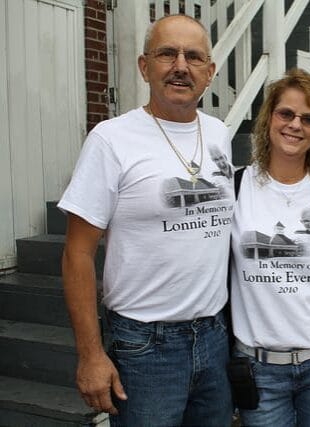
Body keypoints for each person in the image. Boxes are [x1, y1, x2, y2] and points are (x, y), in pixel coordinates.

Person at [59, 15, 234, 426]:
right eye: (167, 54)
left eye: (193, 57)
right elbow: (77, 253)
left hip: (214, 337)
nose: (180, 66)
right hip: (144, 346)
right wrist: (90, 354)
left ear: (209, 73)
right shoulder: (111, 139)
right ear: (144, 66)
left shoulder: (219, 134)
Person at [230, 68, 310, 427]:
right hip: (259, 369)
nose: (295, 125)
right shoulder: (237, 187)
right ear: (269, 117)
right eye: (286, 113)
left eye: (308, 119)